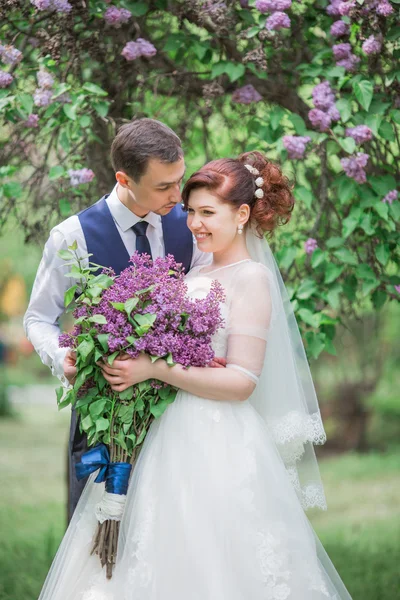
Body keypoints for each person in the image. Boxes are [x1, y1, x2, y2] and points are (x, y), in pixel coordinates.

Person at [38, 152, 353, 599]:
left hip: (217, 441)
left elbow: (242, 382)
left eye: (208, 213)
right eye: (191, 212)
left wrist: (152, 367)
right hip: (161, 432)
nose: (194, 224)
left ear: (242, 214)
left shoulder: (252, 280)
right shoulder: (193, 270)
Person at [23, 118, 212, 521]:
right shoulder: (71, 236)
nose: (178, 196)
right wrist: (63, 359)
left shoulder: (192, 229)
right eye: (164, 187)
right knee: (98, 535)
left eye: (178, 180)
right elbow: (39, 317)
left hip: (177, 417)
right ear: (124, 179)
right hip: (101, 419)